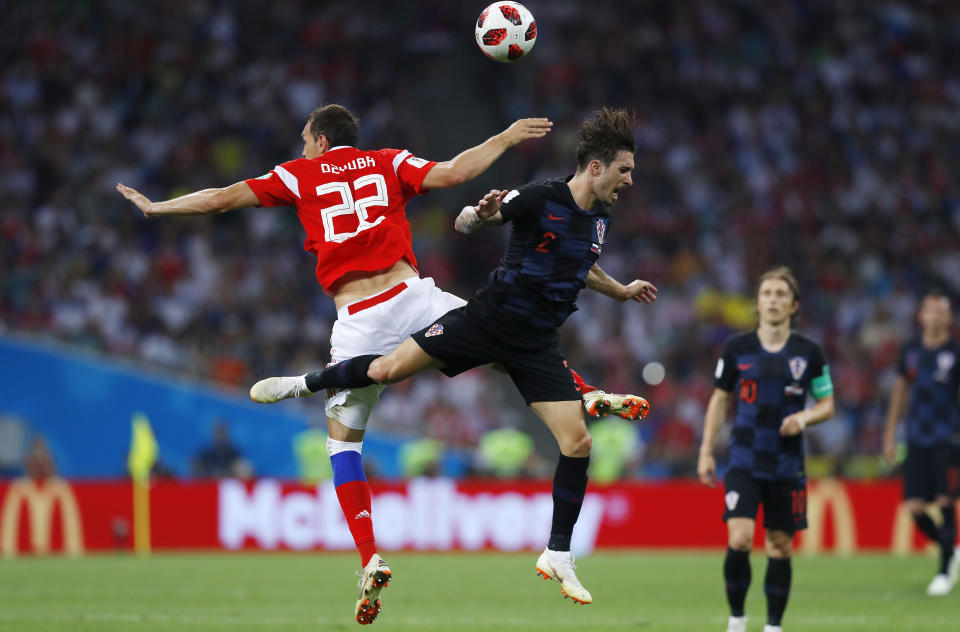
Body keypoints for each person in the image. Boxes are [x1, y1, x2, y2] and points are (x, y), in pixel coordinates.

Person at [117, 104, 643, 624]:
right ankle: (583, 390)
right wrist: (505, 137)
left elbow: (222, 198)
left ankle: (369, 555)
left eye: (305, 138)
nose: (303, 147)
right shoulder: (387, 162)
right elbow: (456, 172)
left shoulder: (299, 174)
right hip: (414, 295)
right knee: (506, 338)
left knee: (343, 444)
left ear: (321, 141)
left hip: (358, 319)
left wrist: (159, 207)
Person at [252, 107, 657, 605]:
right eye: (625, 170)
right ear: (596, 167)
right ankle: (305, 382)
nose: (631, 180)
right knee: (383, 370)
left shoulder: (598, 220)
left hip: (537, 342)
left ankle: (558, 552)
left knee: (577, 444)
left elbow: (582, 263)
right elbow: (471, 217)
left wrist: (619, 291)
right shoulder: (541, 196)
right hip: (486, 323)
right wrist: (479, 213)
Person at [697, 267, 835, 632]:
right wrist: (706, 450)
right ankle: (737, 619)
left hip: (787, 463)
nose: (773, 300)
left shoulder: (809, 353)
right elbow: (719, 399)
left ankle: (773, 626)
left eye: (780, 294)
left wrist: (804, 418)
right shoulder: (736, 348)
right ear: (757, 304)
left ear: (793, 305)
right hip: (743, 458)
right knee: (740, 538)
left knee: (779, 546)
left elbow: (827, 403)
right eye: (767, 294)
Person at [883, 290, 960, 596]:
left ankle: (943, 571)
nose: (935, 315)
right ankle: (951, 549)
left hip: (949, 438)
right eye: (930, 310)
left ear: (949, 317)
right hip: (916, 437)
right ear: (921, 316)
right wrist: (890, 435)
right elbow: (900, 392)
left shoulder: (955, 352)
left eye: (941, 311)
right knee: (914, 507)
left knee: (944, 501)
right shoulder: (911, 351)